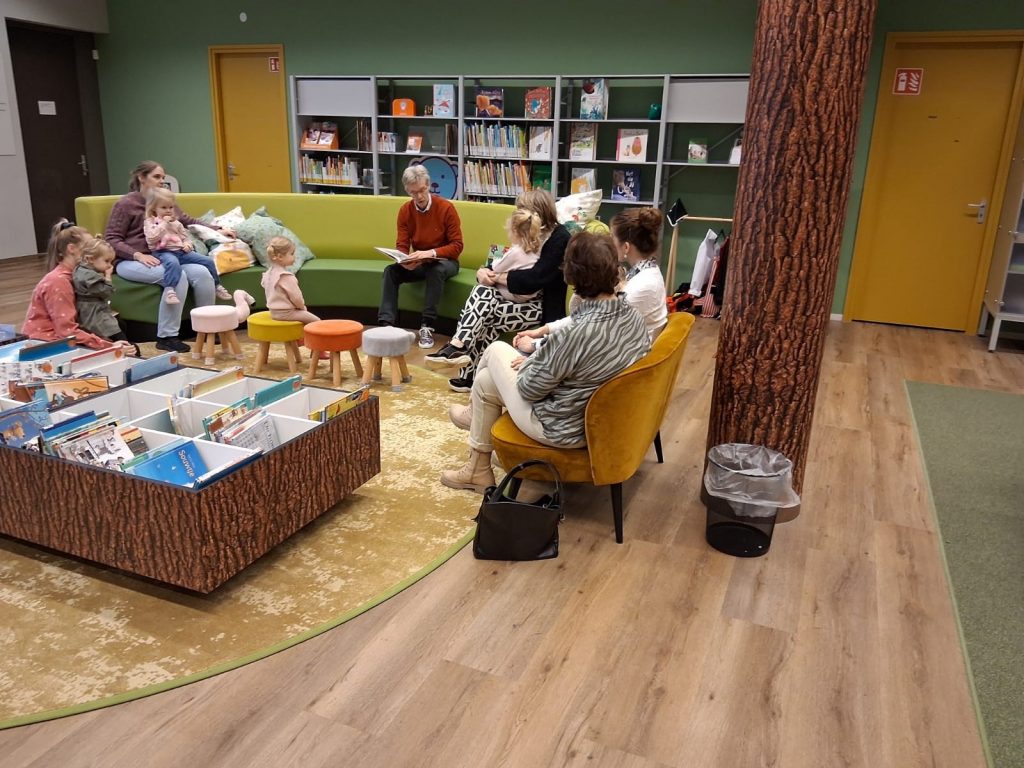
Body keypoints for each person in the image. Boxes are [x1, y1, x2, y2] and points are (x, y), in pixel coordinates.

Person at [440, 232, 651, 492]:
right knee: (485, 381)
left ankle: (474, 425)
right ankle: (477, 469)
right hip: (597, 418)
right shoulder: (631, 315)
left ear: (571, 275)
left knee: (495, 350)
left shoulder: (578, 333)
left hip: (561, 427)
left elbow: (530, 389)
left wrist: (529, 361)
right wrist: (541, 354)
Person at [424, 188, 570, 392]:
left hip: (540, 308)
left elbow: (533, 279)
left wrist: (495, 277)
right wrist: (482, 273)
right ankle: (467, 364)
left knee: (486, 313)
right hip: (515, 299)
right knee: (483, 296)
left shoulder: (560, 238)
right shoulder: (527, 235)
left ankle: (462, 353)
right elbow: (500, 263)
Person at [105, 161, 227, 353]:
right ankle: (166, 337)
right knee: (179, 276)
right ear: (141, 178)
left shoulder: (166, 201)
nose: (162, 181)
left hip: (167, 255)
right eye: (156, 177)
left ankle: (207, 329)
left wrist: (218, 229)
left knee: (203, 273)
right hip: (132, 261)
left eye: (163, 177)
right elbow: (112, 238)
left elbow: (188, 221)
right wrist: (136, 255)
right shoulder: (126, 204)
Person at [513, 207, 668, 354]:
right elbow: (586, 320)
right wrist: (544, 330)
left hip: (619, 367)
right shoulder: (646, 274)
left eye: (612, 237)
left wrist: (536, 345)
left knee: (497, 357)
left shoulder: (639, 288)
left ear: (626, 247)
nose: (609, 241)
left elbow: (585, 333)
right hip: (616, 354)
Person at [377, 164, 463, 350]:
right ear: (408, 191)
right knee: (391, 271)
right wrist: (403, 260)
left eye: (423, 190)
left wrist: (431, 253)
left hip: (446, 262)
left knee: (436, 270)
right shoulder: (405, 211)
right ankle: (386, 325)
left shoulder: (446, 208)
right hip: (420, 262)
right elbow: (402, 244)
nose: (420, 196)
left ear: (429, 185)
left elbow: (457, 246)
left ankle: (427, 326)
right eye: (414, 193)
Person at [22, 221, 135, 353]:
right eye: (89, 246)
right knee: (124, 351)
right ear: (71, 249)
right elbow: (66, 331)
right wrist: (108, 347)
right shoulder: (58, 281)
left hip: (62, 340)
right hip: (45, 346)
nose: (94, 250)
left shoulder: (79, 276)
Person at [143, 187, 232, 305]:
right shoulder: (150, 222)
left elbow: (185, 237)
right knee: (172, 263)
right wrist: (164, 223)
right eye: (164, 207)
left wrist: (187, 244)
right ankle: (170, 290)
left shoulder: (176, 223)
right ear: (154, 208)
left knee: (208, 261)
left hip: (181, 251)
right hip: (163, 252)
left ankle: (216, 285)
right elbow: (151, 238)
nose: (168, 210)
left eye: (171, 207)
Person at [72, 235, 141, 356]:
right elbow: (106, 292)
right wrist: (108, 277)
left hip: (92, 310)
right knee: (116, 333)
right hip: (95, 314)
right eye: (106, 261)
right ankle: (130, 353)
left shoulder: (80, 269)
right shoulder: (90, 276)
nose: (109, 265)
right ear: (90, 259)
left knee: (120, 324)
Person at [262, 236, 320, 324]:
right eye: (292, 254)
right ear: (280, 256)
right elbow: (297, 298)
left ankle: (300, 336)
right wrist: (302, 308)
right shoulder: (286, 276)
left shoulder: (267, 274)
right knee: (316, 321)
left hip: (273, 312)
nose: (294, 257)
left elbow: (265, 287)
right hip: (287, 313)